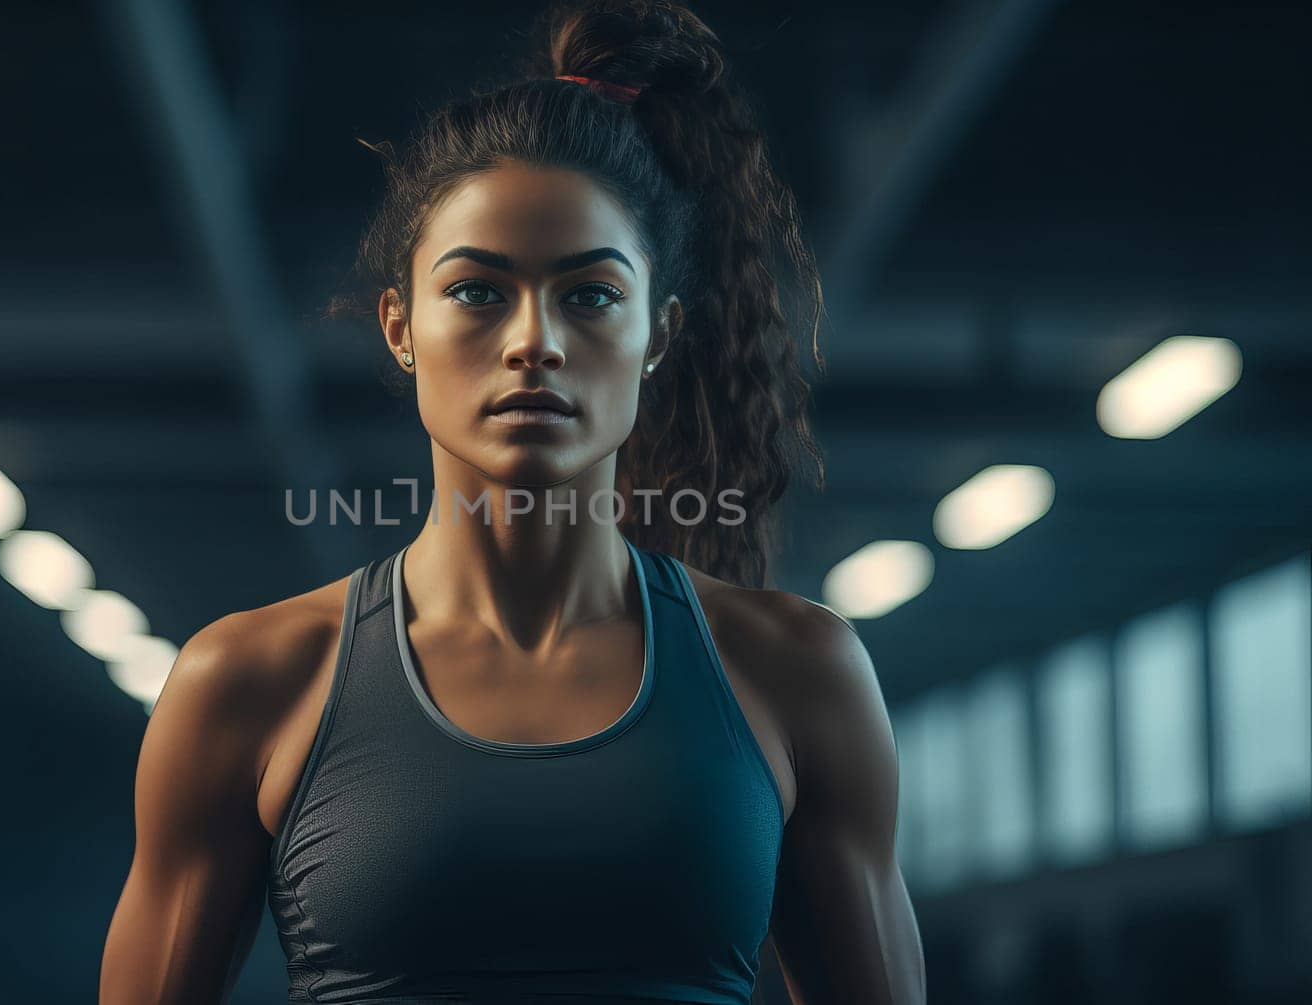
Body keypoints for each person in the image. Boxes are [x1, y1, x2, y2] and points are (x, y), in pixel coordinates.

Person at [100, 1, 925, 1001]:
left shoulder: (798, 675)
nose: (533, 339)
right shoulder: (246, 683)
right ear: (400, 329)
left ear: (657, 336)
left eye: (589, 295)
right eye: (478, 292)